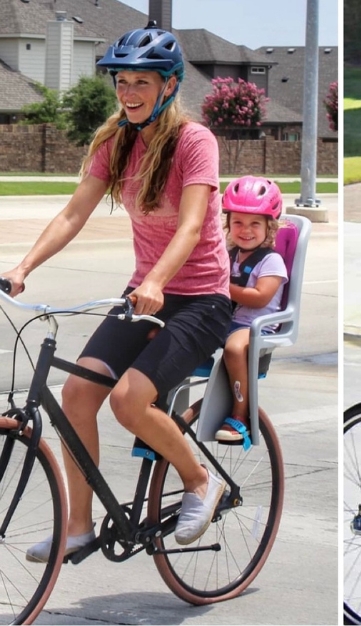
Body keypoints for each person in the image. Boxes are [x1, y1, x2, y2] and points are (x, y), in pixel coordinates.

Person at [2, 24, 233, 561]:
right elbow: (73, 212)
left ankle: (201, 481)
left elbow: (192, 227)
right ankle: (79, 526)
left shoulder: (193, 142)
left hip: (200, 298)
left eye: (141, 83)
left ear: (169, 86)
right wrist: (23, 266)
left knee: (130, 400)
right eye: (122, 81)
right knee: (78, 395)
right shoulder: (115, 141)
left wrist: (157, 280)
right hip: (143, 294)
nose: (128, 93)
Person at [216, 176, 288, 448]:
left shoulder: (271, 260)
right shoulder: (227, 254)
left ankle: (240, 415)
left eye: (255, 223)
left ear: (269, 226)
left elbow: (259, 298)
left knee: (234, 349)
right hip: (226, 319)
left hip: (256, 326)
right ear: (228, 224)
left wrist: (221, 284)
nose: (245, 230)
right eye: (238, 222)